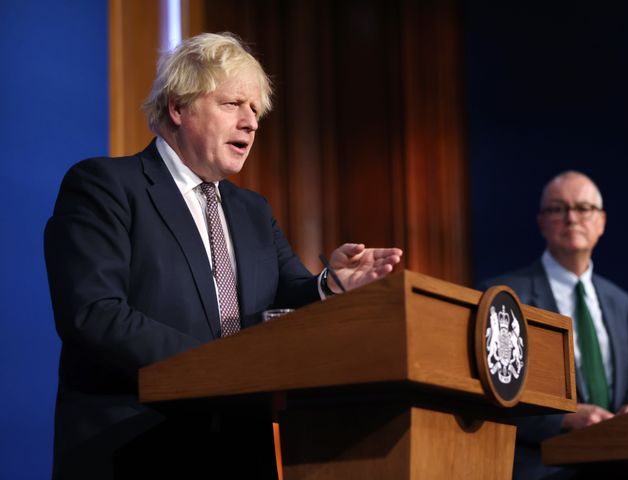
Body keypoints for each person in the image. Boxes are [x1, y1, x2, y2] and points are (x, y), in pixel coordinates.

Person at [44, 32, 402, 479]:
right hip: (135, 448)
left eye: (255, 111)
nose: (250, 123)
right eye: (233, 104)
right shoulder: (107, 187)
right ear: (178, 108)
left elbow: (286, 296)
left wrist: (330, 285)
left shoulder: (253, 210)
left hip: (238, 452)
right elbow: (94, 315)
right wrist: (219, 370)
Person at [478, 171, 628, 479]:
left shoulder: (621, 303)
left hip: (618, 464)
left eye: (583, 208)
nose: (571, 218)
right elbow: (491, 395)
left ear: (601, 221)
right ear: (541, 222)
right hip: (542, 465)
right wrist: (563, 420)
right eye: (558, 208)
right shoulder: (504, 296)